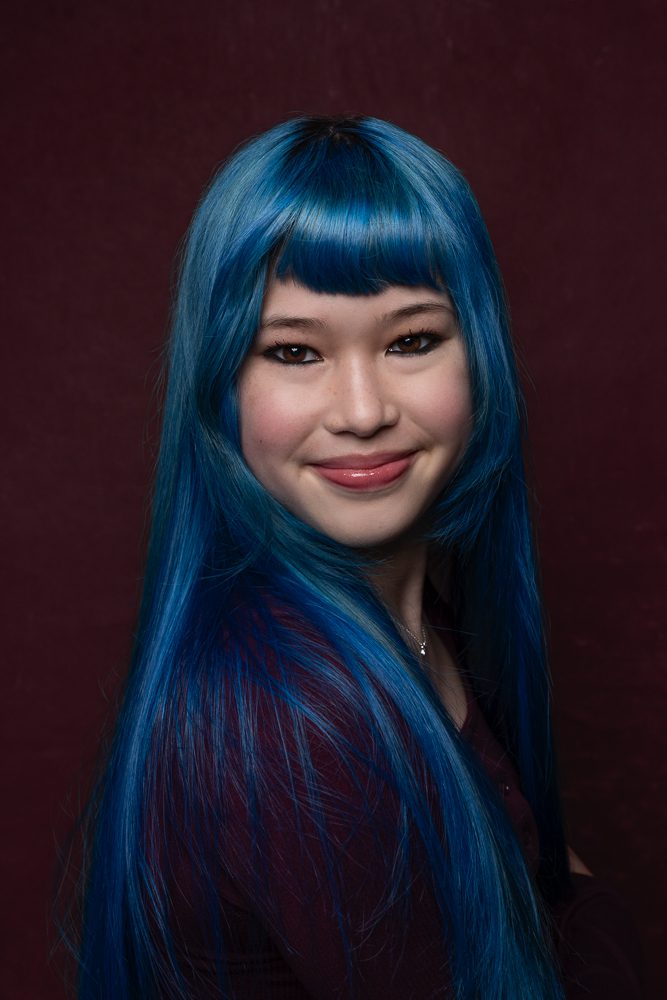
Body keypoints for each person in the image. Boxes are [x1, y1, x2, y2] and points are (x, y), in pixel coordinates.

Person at [70, 116, 643, 998]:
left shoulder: (409, 617)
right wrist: (599, 912)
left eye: (410, 340)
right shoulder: (298, 725)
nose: (364, 409)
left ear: (478, 354)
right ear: (221, 384)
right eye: (295, 352)